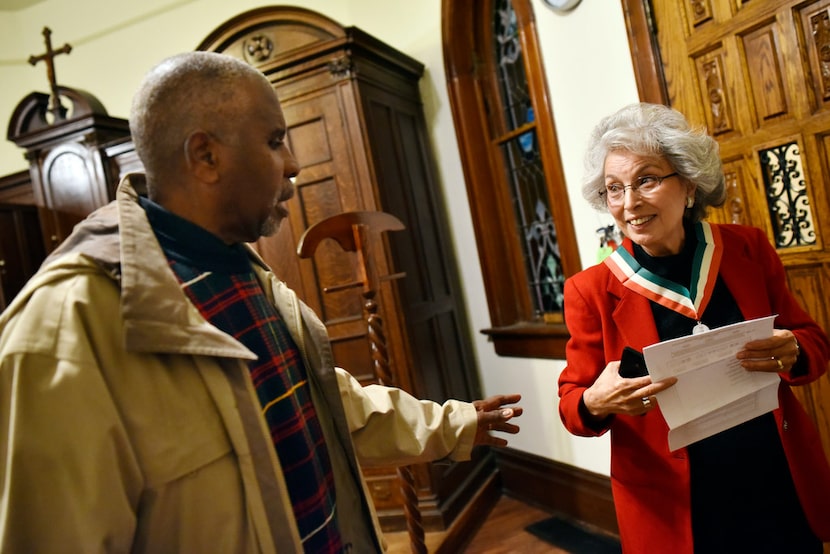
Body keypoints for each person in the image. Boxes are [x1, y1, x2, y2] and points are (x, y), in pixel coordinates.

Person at [0, 51, 522, 553]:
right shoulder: (65, 330)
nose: (293, 163)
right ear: (205, 156)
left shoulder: (245, 273)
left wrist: (454, 424)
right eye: (275, 141)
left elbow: (323, 406)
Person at [558, 102, 830, 553]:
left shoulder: (746, 248)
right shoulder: (591, 290)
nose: (629, 203)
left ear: (687, 182)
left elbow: (812, 340)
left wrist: (795, 349)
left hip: (774, 476)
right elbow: (572, 406)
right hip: (678, 504)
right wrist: (594, 401)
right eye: (614, 189)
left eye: (646, 179)